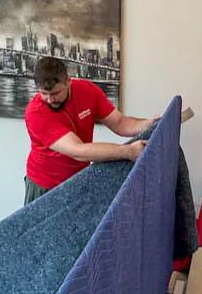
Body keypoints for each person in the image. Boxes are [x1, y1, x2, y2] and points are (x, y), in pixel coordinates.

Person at [23, 57, 155, 204]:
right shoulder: (35, 113)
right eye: (43, 94)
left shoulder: (88, 91)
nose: (49, 99)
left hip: (79, 179)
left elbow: (120, 123)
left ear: (68, 81)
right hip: (45, 186)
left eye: (55, 93)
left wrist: (147, 124)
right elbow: (78, 151)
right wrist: (128, 151)